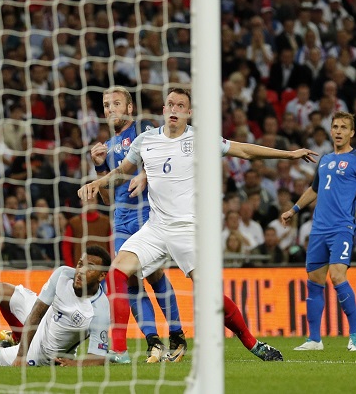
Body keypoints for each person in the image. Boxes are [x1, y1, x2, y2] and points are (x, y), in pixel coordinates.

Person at [78, 88, 319, 364]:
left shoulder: (200, 139)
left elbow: (244, 151)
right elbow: (122, 171)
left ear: (188, 113)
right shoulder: (146, 140)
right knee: (117, 272)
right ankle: (118, 351)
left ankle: (253, 344)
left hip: (187, 230)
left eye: (180, 105)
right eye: (170, 104)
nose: (174, 109)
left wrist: (289, 155)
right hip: (155, 228)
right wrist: (97, 181)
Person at [89, 86, 185, 363]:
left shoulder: (144, 131)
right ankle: (153, 341)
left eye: (116, 103)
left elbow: (164, 157)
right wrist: (98, 167)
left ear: (129, 108)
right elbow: (108, 197)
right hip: (120, 221)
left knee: (152, 277)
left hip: (147, 216)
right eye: (106, 105)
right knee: (131, 281)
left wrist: (143, 173)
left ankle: (176, 335)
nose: (110, 109)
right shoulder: (107, 147)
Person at [281, 111, 356, 352]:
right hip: (318, 230)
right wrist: (293, 209)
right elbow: (314, 189)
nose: (338, 131)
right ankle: (314, 339)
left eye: (344, 127)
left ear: (351, 133)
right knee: (314, 282)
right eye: (335, 126)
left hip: (341, 229)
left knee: (337, 276)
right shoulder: (324, 160)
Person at [0, 246, 112, 367]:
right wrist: (20, 355)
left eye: (90, 268)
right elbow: (37, 311)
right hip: (43, 318)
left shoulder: (99, 310)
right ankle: (18, 338)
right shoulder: (63, 274)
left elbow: (99, 357)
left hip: (42, 352)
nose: (81, 271)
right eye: (80, 264)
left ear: (101, 276)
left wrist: (74, 364)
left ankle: (5, 349)